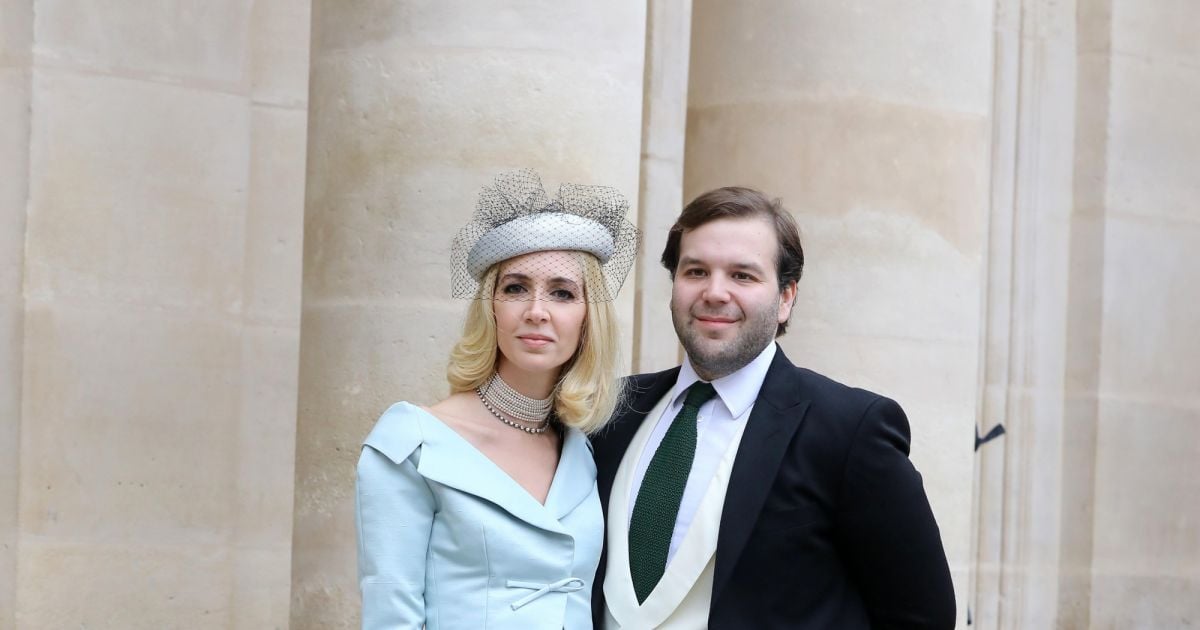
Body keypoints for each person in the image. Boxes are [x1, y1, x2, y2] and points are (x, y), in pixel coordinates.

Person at [591, 187, 956, 629]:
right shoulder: (612, 410)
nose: (715, 292)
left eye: (743, 276)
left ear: (785, 298)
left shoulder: (850, 430)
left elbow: (921, 616)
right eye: (696, 271)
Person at [356, 170, 638, 630]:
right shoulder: (415, 442)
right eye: (515, 288)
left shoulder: (583, 450)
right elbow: (390, 613)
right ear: (490, 306)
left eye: (562, 293)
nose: (537, 311)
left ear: (589, 319)